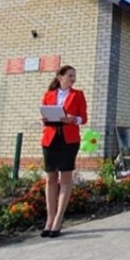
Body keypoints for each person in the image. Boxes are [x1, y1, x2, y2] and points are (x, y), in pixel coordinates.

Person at [40, 65, 88, 238]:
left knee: (66, 178)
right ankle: (49, 218)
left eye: (74, 76)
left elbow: (84, 118)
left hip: (69, 140)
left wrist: (73, 119)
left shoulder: (78, 95)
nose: (73, 79)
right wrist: (43, 120)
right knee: (50, 178)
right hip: (50, 139)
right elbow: (43, 116)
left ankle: (59, 219)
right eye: (70, 75)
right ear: (60, 77)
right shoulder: (49, 94)